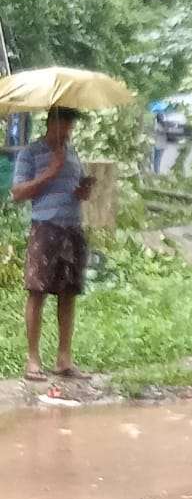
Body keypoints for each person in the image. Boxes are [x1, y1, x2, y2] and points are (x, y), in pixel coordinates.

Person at [11, 108, 94, 382]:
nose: (67, 131)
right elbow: (18, 193)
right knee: (37, 292)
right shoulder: (30, 153)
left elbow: (74, 190)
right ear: (51, 124)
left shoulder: (72, 152)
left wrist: (84, 190)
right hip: (45, 228)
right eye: (64, 125)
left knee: (68, 293)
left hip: (72, 227)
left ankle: (64, 359)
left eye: (70, 127)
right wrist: (51, 171)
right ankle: (33, 360)